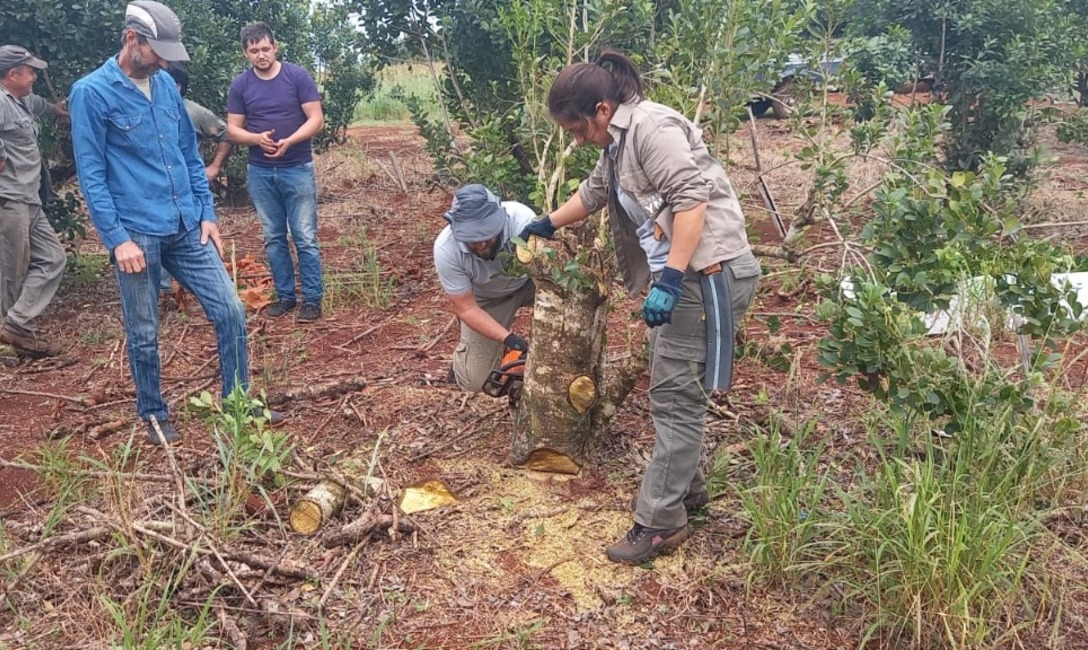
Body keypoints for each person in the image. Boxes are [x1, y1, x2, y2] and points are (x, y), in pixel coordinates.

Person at [519, 50, 761, 564]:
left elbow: (692, 199)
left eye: (576, 127)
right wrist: (548, 222)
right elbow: (596, 192)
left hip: (705, 278)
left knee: (675, 401)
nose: (575, 138)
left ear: (602, 109)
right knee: (674, 387)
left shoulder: (652, 128)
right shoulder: (618, 142)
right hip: (688, 280)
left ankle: (659, 523)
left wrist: (671, 278)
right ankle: (688, 494)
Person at [69, 0, 282, 445]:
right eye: (158, 52)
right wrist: (116, 239)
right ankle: (152, 413)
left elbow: (189, 155)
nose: (165, 61)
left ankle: (237, 401)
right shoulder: (91, 93)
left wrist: (207, 213)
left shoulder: (165, 85)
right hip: (137, 233)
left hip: (187, 225)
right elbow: (91, 173)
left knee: (230, 309)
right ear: (132, 40)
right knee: (144, 330)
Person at [226, 22, 325, 323]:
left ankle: (312, 298)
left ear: (275, 46)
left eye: (265, 48)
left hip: (297, 167)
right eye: (254, 50)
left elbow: (316, 119)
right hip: (261, 171)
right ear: (246, 53)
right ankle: (285, 296)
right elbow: (232, 128)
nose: (261, 55)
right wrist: (256, 139)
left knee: (304, 236)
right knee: (273, 236)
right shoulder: (240, 85)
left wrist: (290, 141)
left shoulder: (296, 76)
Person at [434, 184, 536, 392]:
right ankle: (486, 356)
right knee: (476, 381)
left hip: (530, 284)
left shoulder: (522, 221)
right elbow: (466, 308)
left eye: (486, 234)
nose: (480, 243)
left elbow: (548, 274)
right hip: (488, 299)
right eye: (472, 237)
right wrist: (509, 339)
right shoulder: (446, 249)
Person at [0, 45, 67, 358]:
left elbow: (44, 106)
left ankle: (15, 324)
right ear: (12, 74)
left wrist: (60, 108)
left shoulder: (22, 100)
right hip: (9, 199)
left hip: (30, 199)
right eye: (30, 71)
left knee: (53, 258)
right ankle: (9, 340)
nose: (35, 76)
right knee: (11, 270)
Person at [158, 63, 234, 300]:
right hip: (154, 191)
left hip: (187, 189)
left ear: (177, 86)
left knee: (192, 234)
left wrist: (214, 167)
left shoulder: (192, 112)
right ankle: (165, 291)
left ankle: (199, 289)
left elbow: (226, 132)